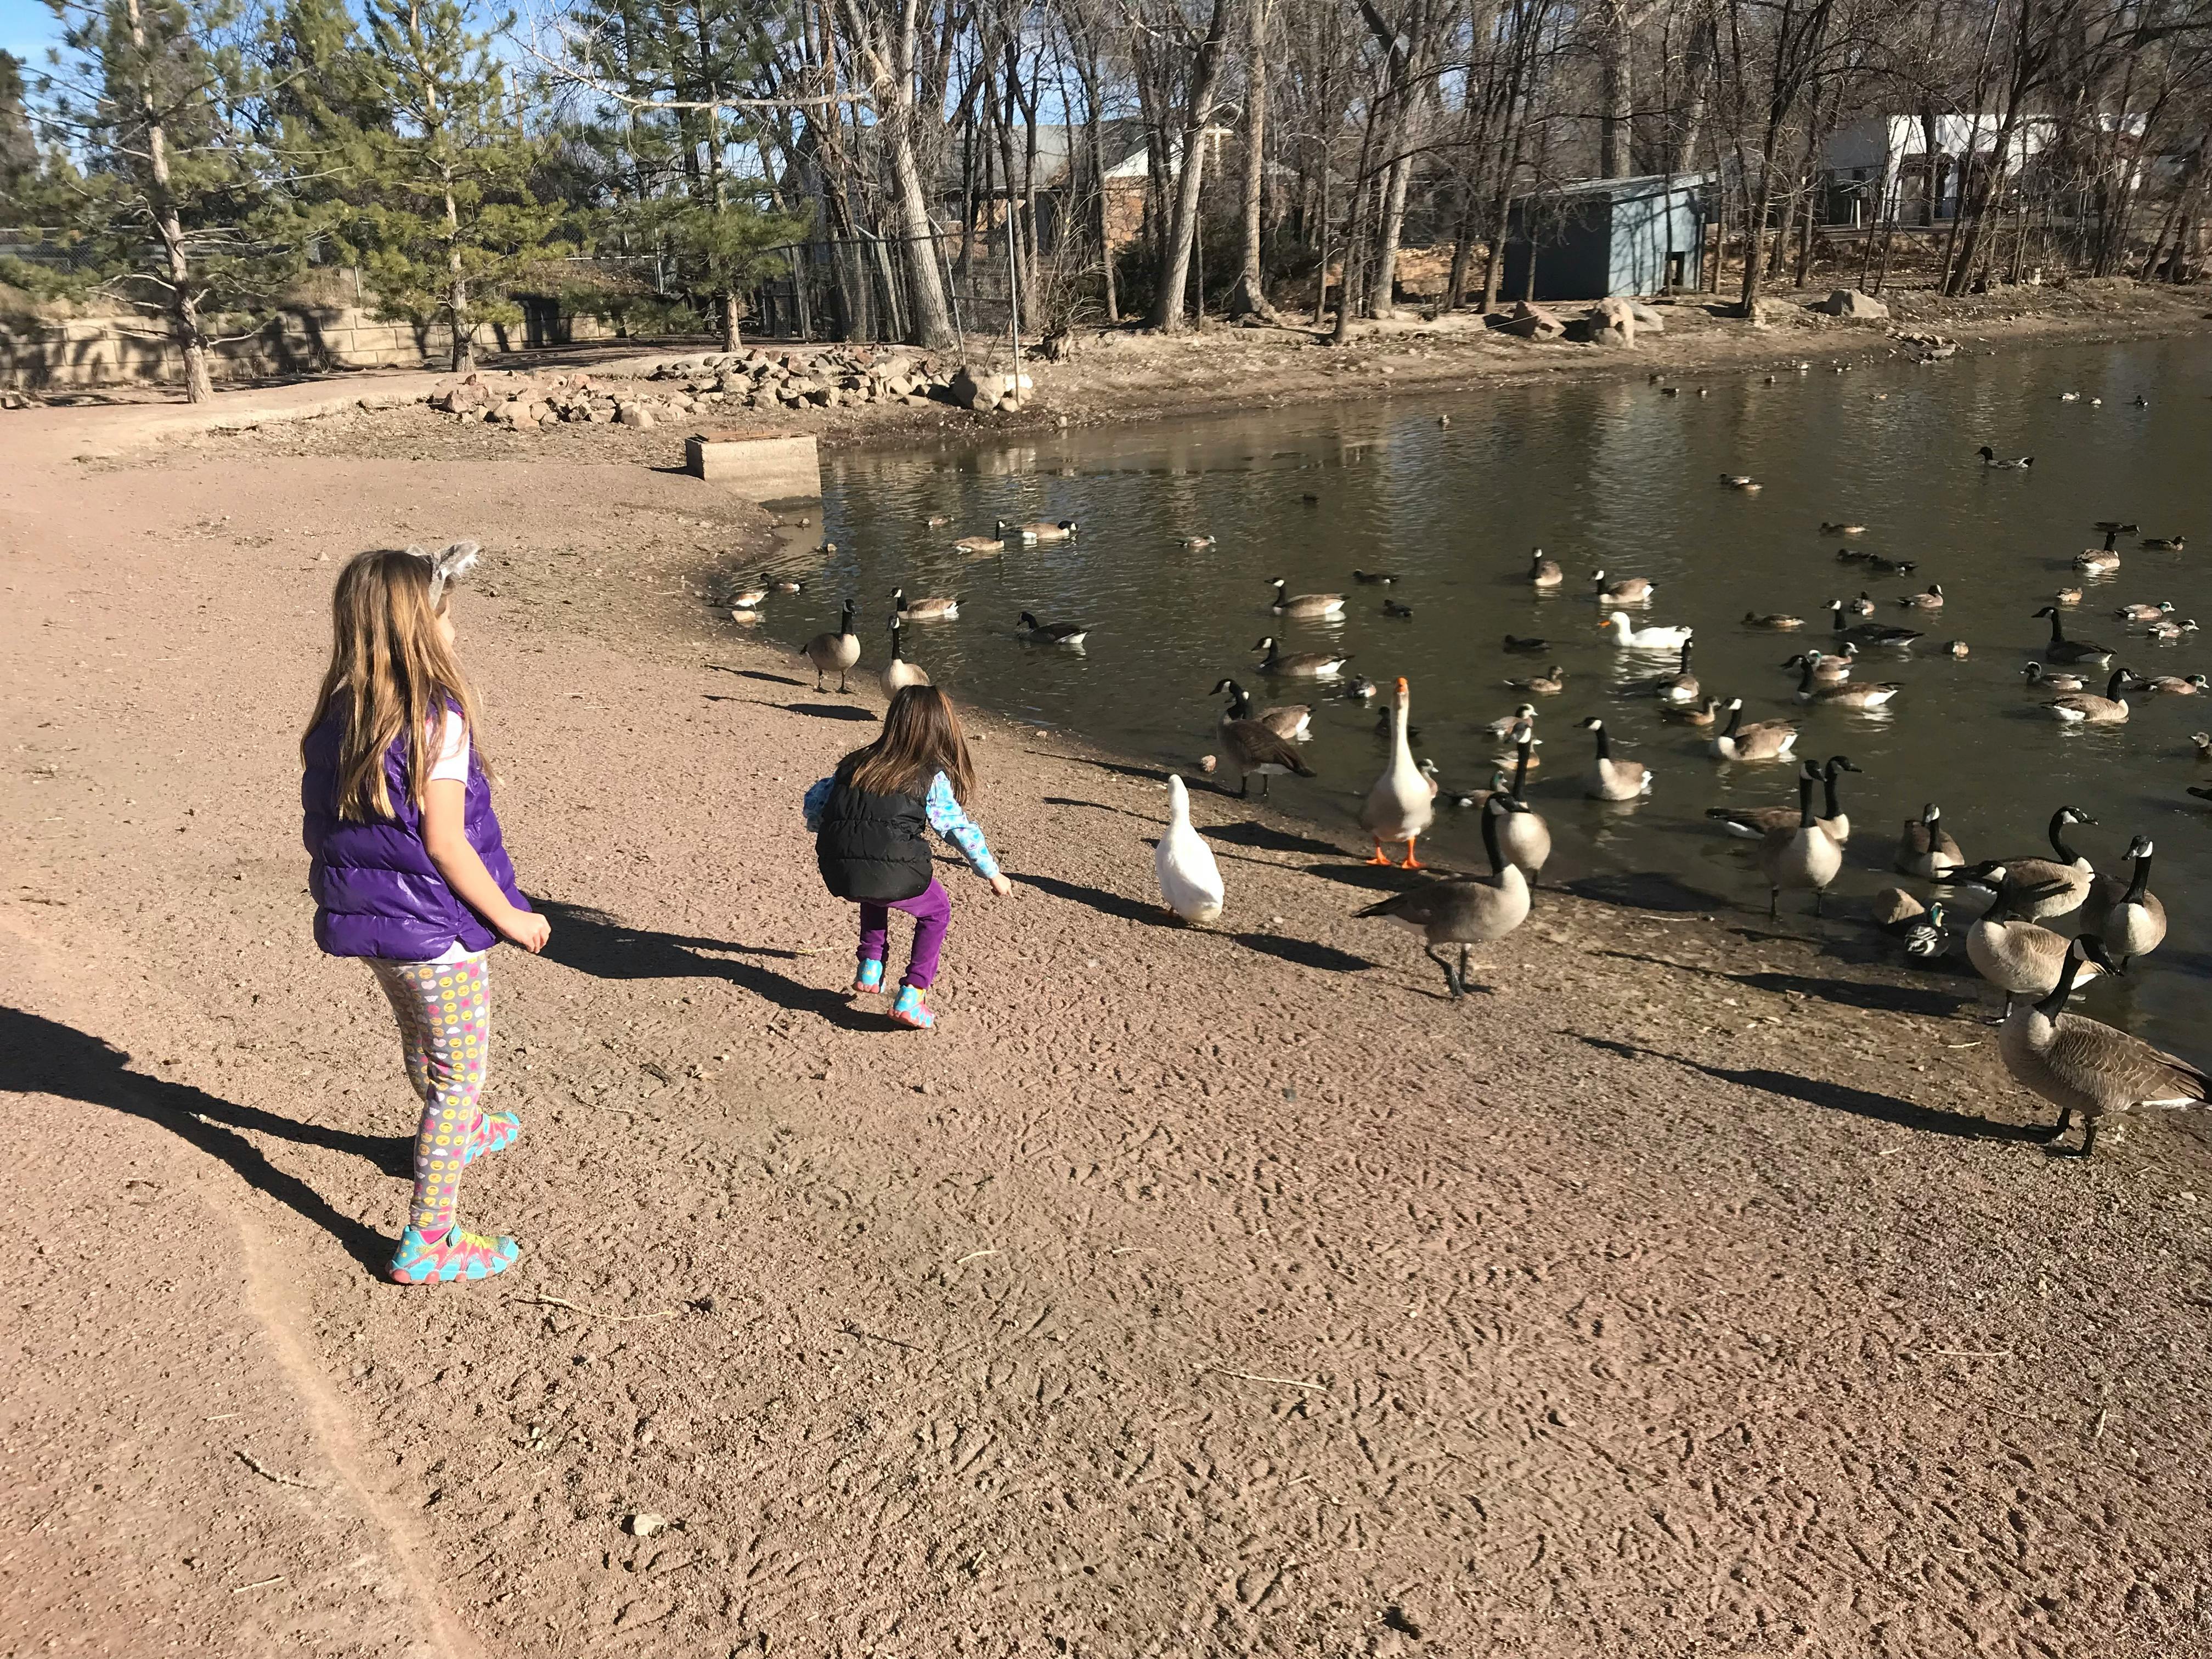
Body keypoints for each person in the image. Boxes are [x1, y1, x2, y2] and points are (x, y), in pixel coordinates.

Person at [301, 543, 550, 1285]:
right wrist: (510, 916)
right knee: (457, 1080)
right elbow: (445, 842)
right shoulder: (434, 721)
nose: (455, 629)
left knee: (419, 1036)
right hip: (436, 932)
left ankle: (463, 1133)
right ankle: (428, 1240)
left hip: (376, 923)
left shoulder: (339, 713)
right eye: (446, 614)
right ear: (419, 626)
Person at [804, 685, 1011, 1029]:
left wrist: (835, 834)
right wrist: (992, 873)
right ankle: (913, 995)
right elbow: (958, 829)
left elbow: (815, 802)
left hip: (838, 869)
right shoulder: (928, 776)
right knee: (936, 910)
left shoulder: (856, 763)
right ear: (941, 728)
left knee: (876, 881)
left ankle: (871, 967)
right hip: (890, 873)